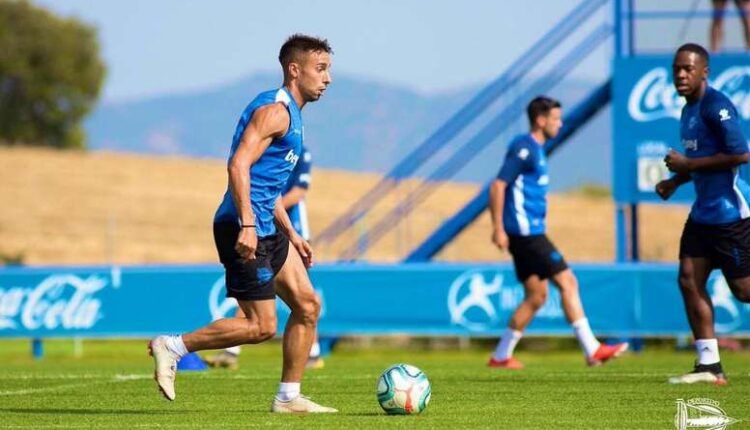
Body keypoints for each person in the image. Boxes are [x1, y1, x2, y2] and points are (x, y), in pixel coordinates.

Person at [148, 34, 337, 413]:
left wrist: (292, 234)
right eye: (320, 69)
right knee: (260, 327)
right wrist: (249, 226)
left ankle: (288, 398)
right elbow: (238, 164)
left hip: (267, 225)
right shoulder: (276, 111)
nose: (327, 78)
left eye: (329, 70)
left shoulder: (293, 115)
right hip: (240, 226)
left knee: (308, 305)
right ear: (294, 70)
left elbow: (268, 186)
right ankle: (173, 346)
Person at [487, 96, 628, 369]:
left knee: (536, 296)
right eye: (555, 119)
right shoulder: (524, 148)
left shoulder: (538, 149)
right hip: (528, 234)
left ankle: (501, 356)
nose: (560, 124)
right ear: (541, 120)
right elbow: (497, 186)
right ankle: (592, 349)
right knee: (568, 282)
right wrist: (497, 228)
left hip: (528, 233)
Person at [656, 43, 750, 385]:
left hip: (730, 215)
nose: (681, 75)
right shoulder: (687, 110)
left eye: (688, 69)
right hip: (702, 217)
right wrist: (675, 181)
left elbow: (740, 155)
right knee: (688, 280)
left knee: (744, 291)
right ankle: (709, 366)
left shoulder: (716, 106)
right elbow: (700, 162)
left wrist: (686, 165)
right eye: (676, 69)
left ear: (704, 72)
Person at [205, 145, 325, 370]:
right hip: (263, 225)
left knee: (305, 299)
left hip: (291, 226)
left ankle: (313, 352)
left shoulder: (299, 151)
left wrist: (266, 204)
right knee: (260, 294)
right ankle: (227, 351)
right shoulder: (266, 147)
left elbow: (299, 192)